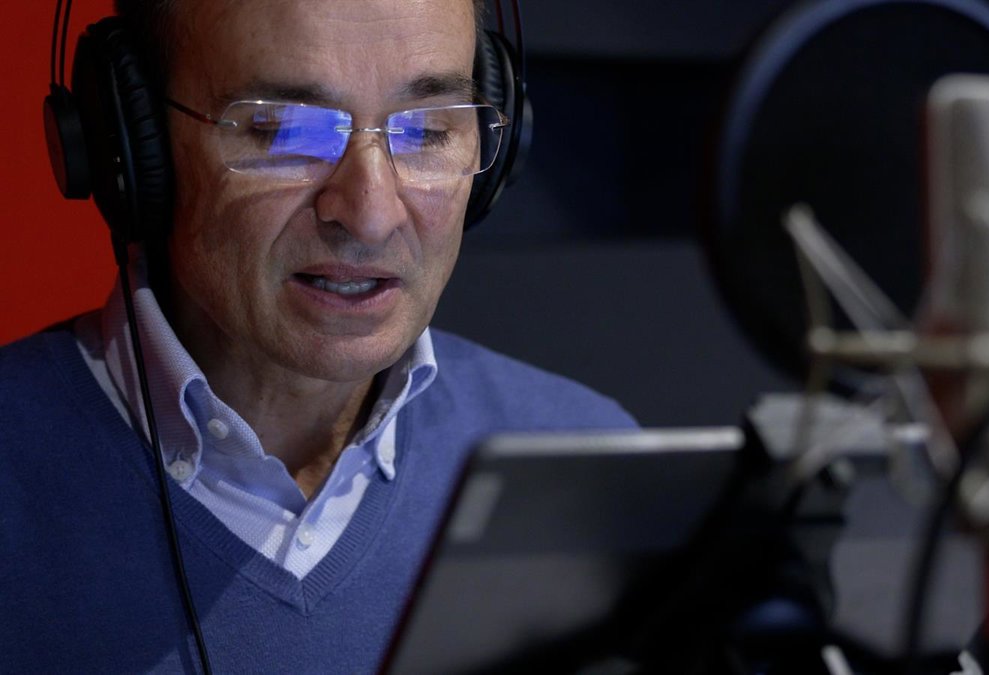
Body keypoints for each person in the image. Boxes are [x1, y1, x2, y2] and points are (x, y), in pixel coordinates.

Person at [0, 0, 635, 671]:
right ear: (130, 144)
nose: (370, 215)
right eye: (284, 130)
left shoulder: (590, 470)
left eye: (425, 131)